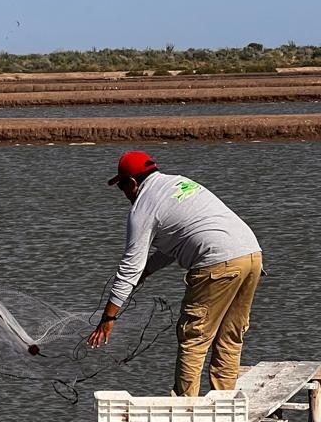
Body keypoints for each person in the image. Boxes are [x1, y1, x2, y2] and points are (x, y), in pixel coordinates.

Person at [87, 150, 262, 395]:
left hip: (217, 261)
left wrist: (108, 319)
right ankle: (225, 407)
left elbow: (129, 268)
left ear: (133, 183)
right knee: (230, 337)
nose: (124, 194)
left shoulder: (143, 207)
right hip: (252, 255)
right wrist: (147, 271)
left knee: (194, 338)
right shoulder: (177, 182)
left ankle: (185, 413)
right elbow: (176, 244)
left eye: (122, 187)